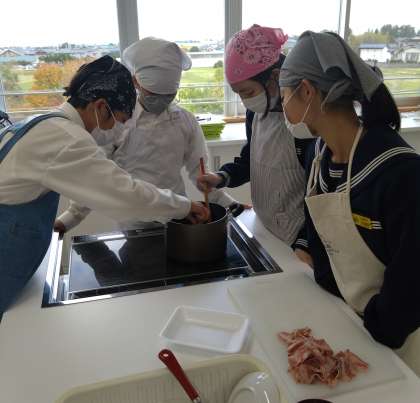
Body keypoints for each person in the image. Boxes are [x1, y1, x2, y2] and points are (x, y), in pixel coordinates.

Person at [0, 56, 208, 315]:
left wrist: (66, 220)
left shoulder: (44, 123)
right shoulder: (67, 139)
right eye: (117, 120)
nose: (117, 129)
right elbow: (124, 194)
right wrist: (185, 207)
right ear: (100, 107)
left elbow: (91, 183)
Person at [279, 30, 420, 374]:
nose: (282, 107)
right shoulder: (318, 157)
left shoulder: (400, 173)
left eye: (283, 96)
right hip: (351, 322)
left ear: (306, 91)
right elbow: (322, 247)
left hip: (400, 339)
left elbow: (411, 281)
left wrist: (373, 328)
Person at [56, 37, 239, 232]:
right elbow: (98, 177)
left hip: (179, 216)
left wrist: (230, 204)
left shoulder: (185, 121)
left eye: (169, 96)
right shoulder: (117, 122)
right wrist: (71, 217)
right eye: (153, 94)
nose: (161, 100)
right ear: (136, 82)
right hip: (134, 222)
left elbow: (201, 174)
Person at [197, 25, 311, 248]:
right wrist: (221, 177)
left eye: (248, 92)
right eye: (238, 94)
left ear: (275, 77)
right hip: (264, 225)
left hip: (298, 236)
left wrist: (305, 242)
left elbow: (319, 191)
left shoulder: (303, 122)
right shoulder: (256, 114)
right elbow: (250, 160)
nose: (245, 101)